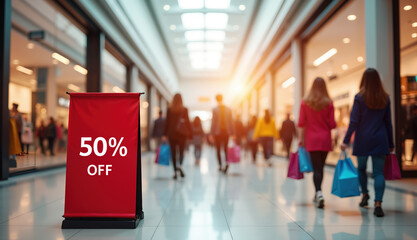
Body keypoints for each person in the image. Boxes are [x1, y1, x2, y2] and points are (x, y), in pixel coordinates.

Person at [341, 68, 394, 218]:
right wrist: (391, 143)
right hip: (380, 139)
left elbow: (354, 122)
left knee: (362, 169)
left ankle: (365, 195)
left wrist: (345, 141)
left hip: (363, 140)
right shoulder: (385, 98)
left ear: (363, 80)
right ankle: (378, 203)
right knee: (378, 173)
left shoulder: (359, 97)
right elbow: (388, 123)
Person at [298, 77, 336, 209]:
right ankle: (318, 192)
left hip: (312, 140)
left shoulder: (305, 102)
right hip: (325, 139)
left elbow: (301, 123)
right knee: (321, 168)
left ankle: (318, 193)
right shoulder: (329, 103)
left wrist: (300, 139)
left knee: (316, 168)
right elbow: (332, 124)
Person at [163, 93, 192, 179]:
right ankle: (180, 165)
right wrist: (190, 134)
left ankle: (175, 171)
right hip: (182, 134)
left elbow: (167, 123)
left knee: (173, 152)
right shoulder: (184, 109)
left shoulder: (169, 109)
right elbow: (188, 122)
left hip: (172, 134)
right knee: (181, 151)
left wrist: (164, 134)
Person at [210, 94, 234, 174]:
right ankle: (226, 163)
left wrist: (211, 134)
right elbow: (231, 122)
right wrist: (233, 133)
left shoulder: (215, 109)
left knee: (218, 149)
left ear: (216, 100)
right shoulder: (228, 109)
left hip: (218, 132)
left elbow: (213, 122)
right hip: (226, 132)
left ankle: (220, 165)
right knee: (225, 148)